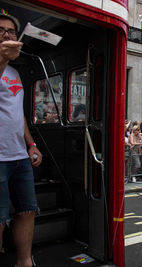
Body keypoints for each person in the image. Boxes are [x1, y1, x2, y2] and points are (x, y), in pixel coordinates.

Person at [0, 10, 43, 267]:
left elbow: (19, 115)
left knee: (27, 211)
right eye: (0, 31)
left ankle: (25, 262)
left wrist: (31, 143)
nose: (7, 34)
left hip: (19, 155)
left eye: (11, 31)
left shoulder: (15, 73)